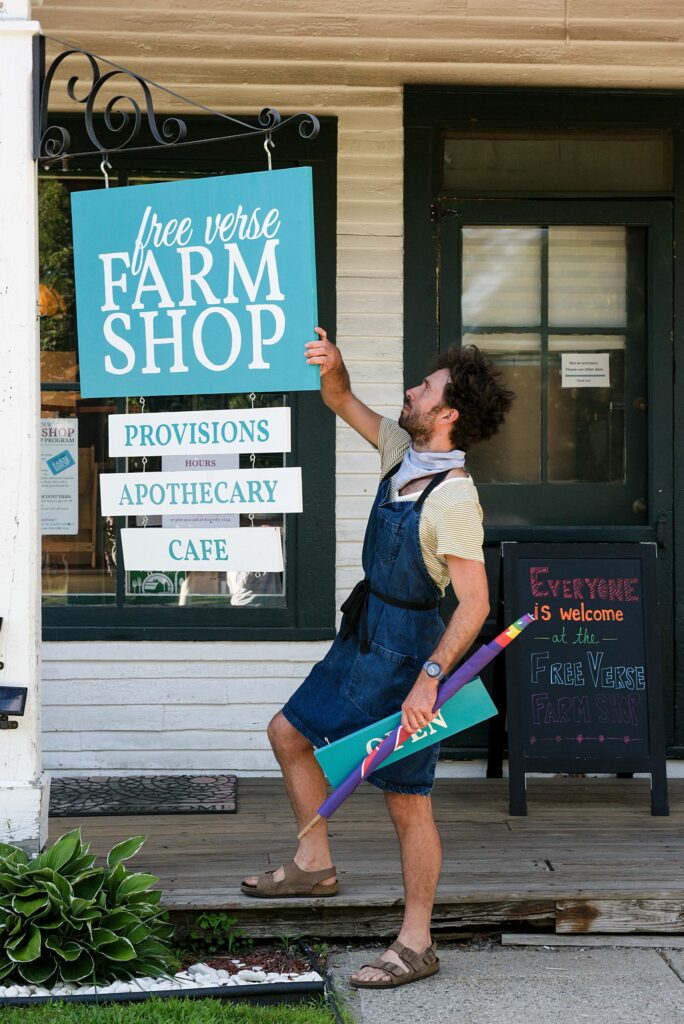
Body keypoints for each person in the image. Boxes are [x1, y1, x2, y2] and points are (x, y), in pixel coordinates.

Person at [242, 328, 514, 989]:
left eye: (426, 388)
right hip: (365, 632)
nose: (412, 391)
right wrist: (334, 367)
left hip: (409, 653)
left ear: (448, 414)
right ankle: (314, 864)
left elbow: (474, 603)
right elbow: (342, 400)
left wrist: (429, 681)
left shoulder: (453, 497)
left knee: (407, 800)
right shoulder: (402, 453)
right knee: (288, 733)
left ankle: (416, 942)